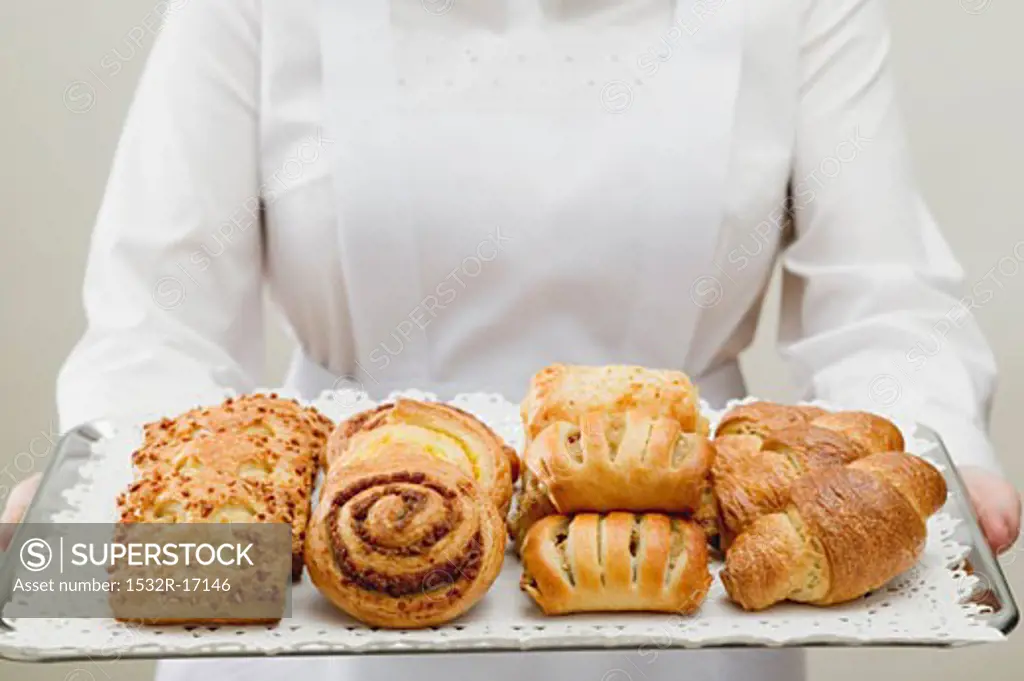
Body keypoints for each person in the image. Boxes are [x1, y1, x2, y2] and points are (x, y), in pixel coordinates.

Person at [3, 1, 1020, 680]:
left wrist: (930, 456)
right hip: (323, 600)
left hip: (692, 595)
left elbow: (882, 299)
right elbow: (158, 307)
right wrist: (111, 486)